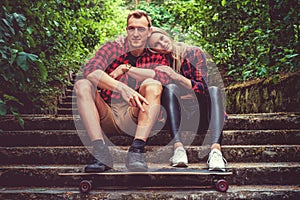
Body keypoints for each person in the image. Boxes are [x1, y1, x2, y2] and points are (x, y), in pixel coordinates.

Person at [74, 11, 170, 172]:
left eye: (141, 29)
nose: (136, 34)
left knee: (153, 84)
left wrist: (127, 69)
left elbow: (164, 77)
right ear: (126, 30)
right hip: (107, 112)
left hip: (136, 115)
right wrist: (122, 88)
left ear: (149, 31)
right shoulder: (112, 47)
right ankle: (100, 152)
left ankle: (137, 150)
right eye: (132, 28)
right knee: (83, 84)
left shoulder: (155, 55)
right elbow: (90, 71)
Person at [148, 27, 227, 171]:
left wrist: (176, 76)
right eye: (156, 45)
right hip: (176, 118)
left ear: (167, 35)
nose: (162, 44)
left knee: (214, 90)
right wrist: (186, 88)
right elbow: (165, 94)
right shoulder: (159, 62)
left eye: (162, 38)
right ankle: (178, 149)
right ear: (154, 50)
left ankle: (216, 151)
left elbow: (202, 88)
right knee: (171, 89)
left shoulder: (193, 52)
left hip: (201, 116)